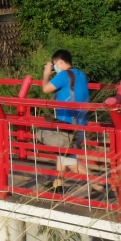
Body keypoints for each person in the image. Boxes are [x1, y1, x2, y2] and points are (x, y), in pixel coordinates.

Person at [41, 49, 100, 192]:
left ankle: (97, 185)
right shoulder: (80, 74)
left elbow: (46, 89)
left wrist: (46, 74)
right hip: (79, 123)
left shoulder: (64, 75)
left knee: (70, 161)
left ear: (60, 62)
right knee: (63, 155)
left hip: (67, 125)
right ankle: (57, 185)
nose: (55, 68)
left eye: (55, 65)